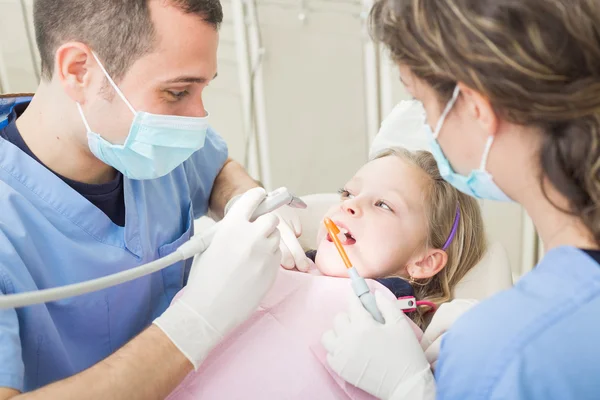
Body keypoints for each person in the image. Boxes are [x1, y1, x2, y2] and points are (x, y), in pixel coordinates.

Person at [0, 0, 310, 398]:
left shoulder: (142, 144)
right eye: (177, 91)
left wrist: (243, 198)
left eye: (203, 87)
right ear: (79, 70)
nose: (198, 116)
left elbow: (216, 167)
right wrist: (195, 323)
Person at [322, 0, 600, 399]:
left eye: (421, 104)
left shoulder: (502, 353)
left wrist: (410, 390)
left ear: (474, 108)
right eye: (347, 193)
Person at [307, 147, 486, 329]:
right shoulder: (285, 259)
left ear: (424, 262)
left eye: (383, 205)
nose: (350, 204)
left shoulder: (390, 333)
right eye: (348, 194)